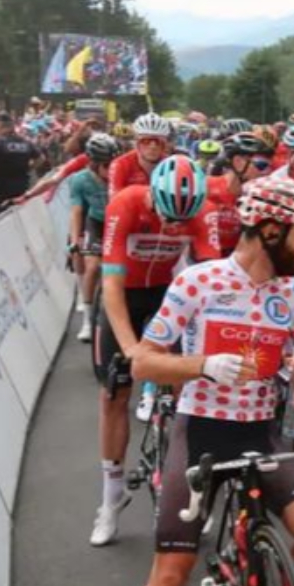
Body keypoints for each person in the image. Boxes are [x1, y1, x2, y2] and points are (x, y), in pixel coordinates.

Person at [123, 178, 294, 586]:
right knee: (171, 573)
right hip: (202, 431)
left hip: (260, 430)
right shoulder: (198, 281)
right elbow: (142, 363)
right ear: (269, 231)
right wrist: (202, 365)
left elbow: (293, 373)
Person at [90, 155, 220, 547]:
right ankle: (111, 497)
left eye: (181, 223)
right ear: (153, 197)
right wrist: (131, 348)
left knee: (190, 389)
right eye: (166, 217)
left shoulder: (201, 212)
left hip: (168, 295)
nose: (171, 227)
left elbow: (213, 281)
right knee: (115, 393)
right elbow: (111, 286)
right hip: (125, 295)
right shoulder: (126, 203)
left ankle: (189, 481)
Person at [68, 133, 120, 342]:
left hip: (118, 224)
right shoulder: (79, 180)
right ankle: (88, 321)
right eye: (107, 165)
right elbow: (77, 211)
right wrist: (74, 240)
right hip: (95, 223)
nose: (111, 169)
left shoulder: (120, 175)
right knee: (92, 266)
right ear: (94, 163)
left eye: (113, 163)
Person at [109, 113, 173, 196]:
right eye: (146, 141)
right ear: (136, 143)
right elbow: (115, 200)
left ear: (165, 144)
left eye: (158, 142)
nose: (152, 146)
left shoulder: (171, 165)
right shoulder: (120, 165)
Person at [0, 111, 42, 209]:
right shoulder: (25, 142)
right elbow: (41, 158)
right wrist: (28, 168)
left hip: (1, 187)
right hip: (21, 185)